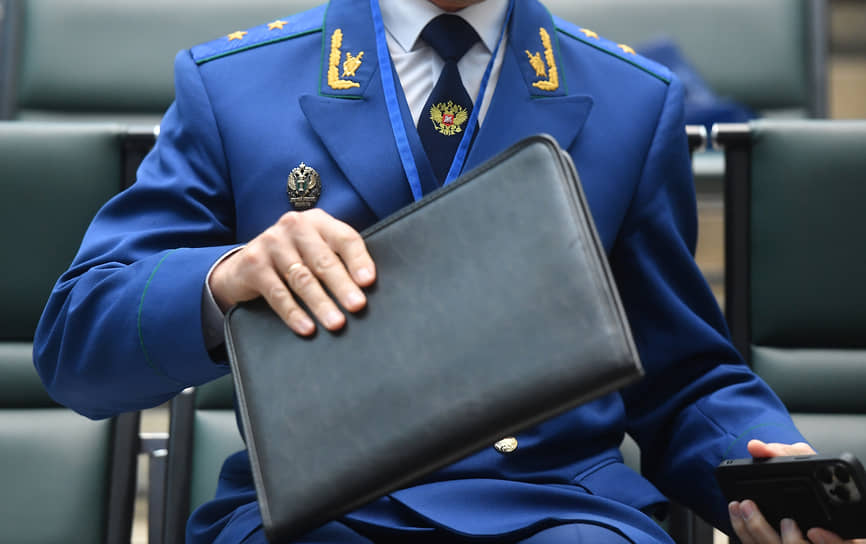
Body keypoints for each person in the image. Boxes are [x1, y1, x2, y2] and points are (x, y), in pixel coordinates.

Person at [32, 0, 860, 543]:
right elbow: (77, 344)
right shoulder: (233, 86)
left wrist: (766, 466)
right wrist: (225, 279)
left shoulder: (631, 100)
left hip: (557, 508)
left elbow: (683, 377)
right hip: (317, 511)